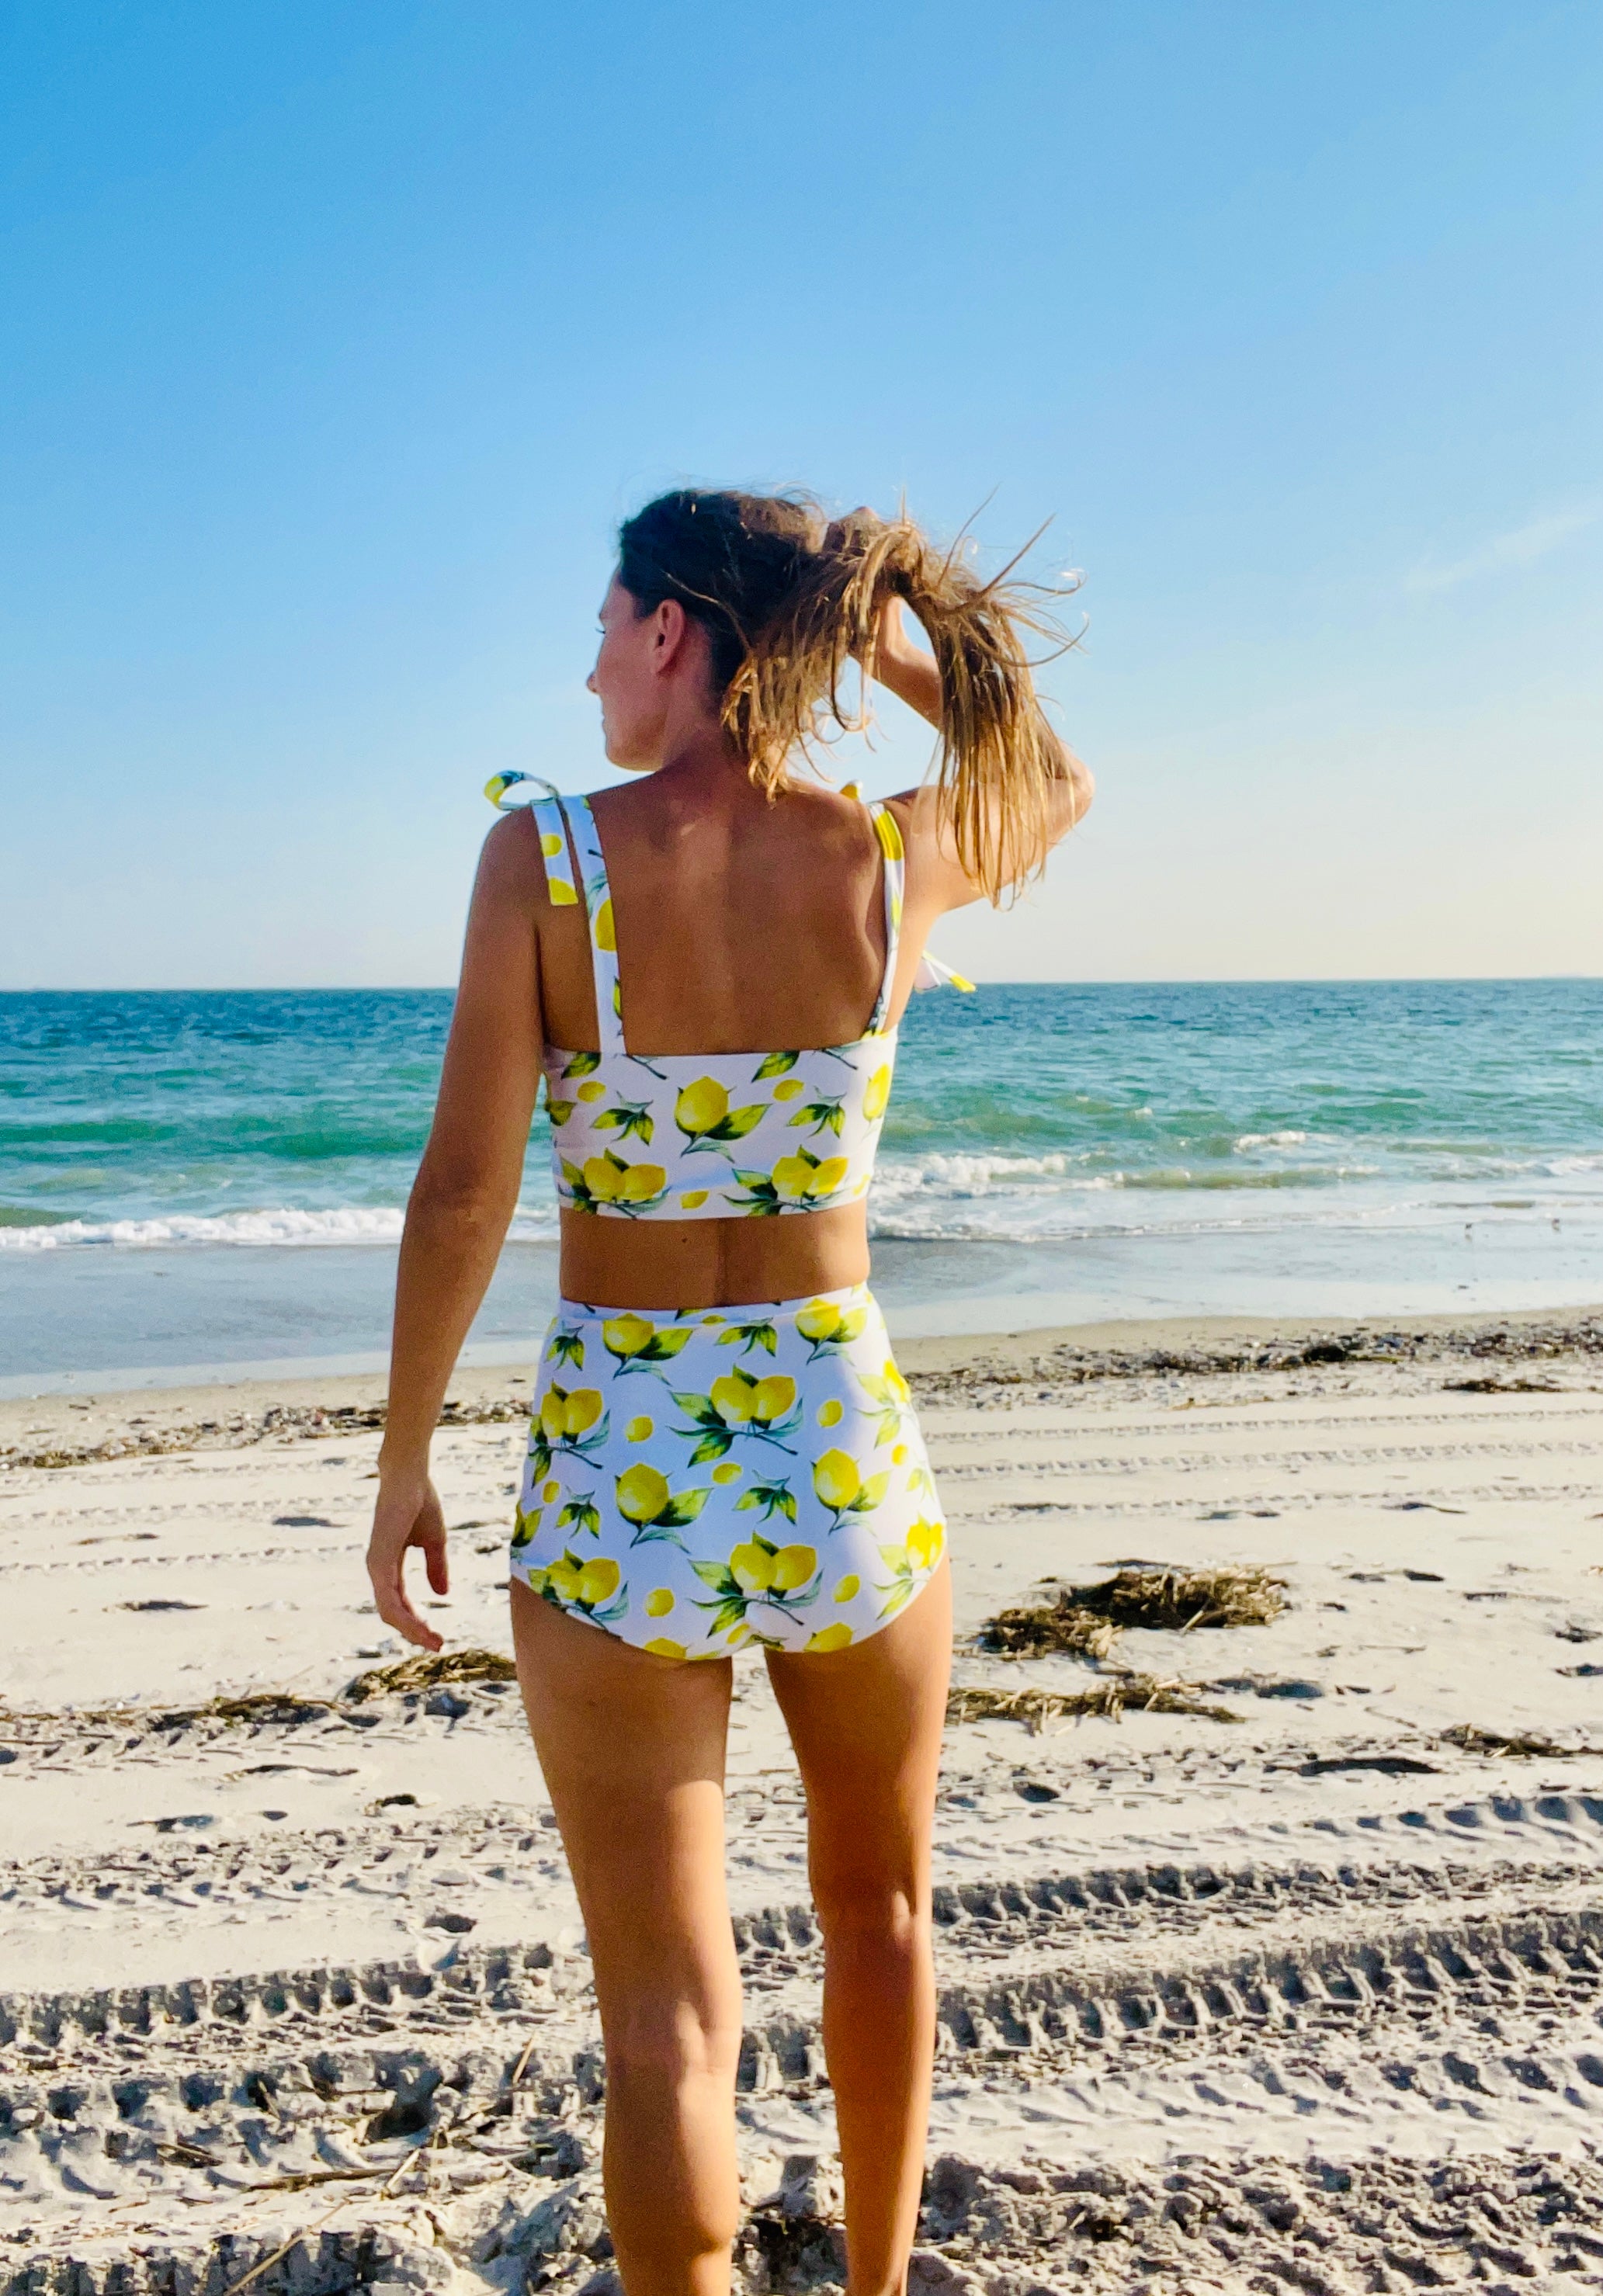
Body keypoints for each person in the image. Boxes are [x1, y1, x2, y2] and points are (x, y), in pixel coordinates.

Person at [366, 491, 1092, 2296]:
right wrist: (880, 638)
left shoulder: (544, 861)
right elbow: (1055, 780)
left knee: (665, 2019)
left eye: (605, 623)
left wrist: (402, 1463)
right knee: (881, 1916)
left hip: (623, 1458)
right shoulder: (880, 853)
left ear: (672, 631)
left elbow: (464, 1190)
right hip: (837, 1443)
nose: (590, 661)